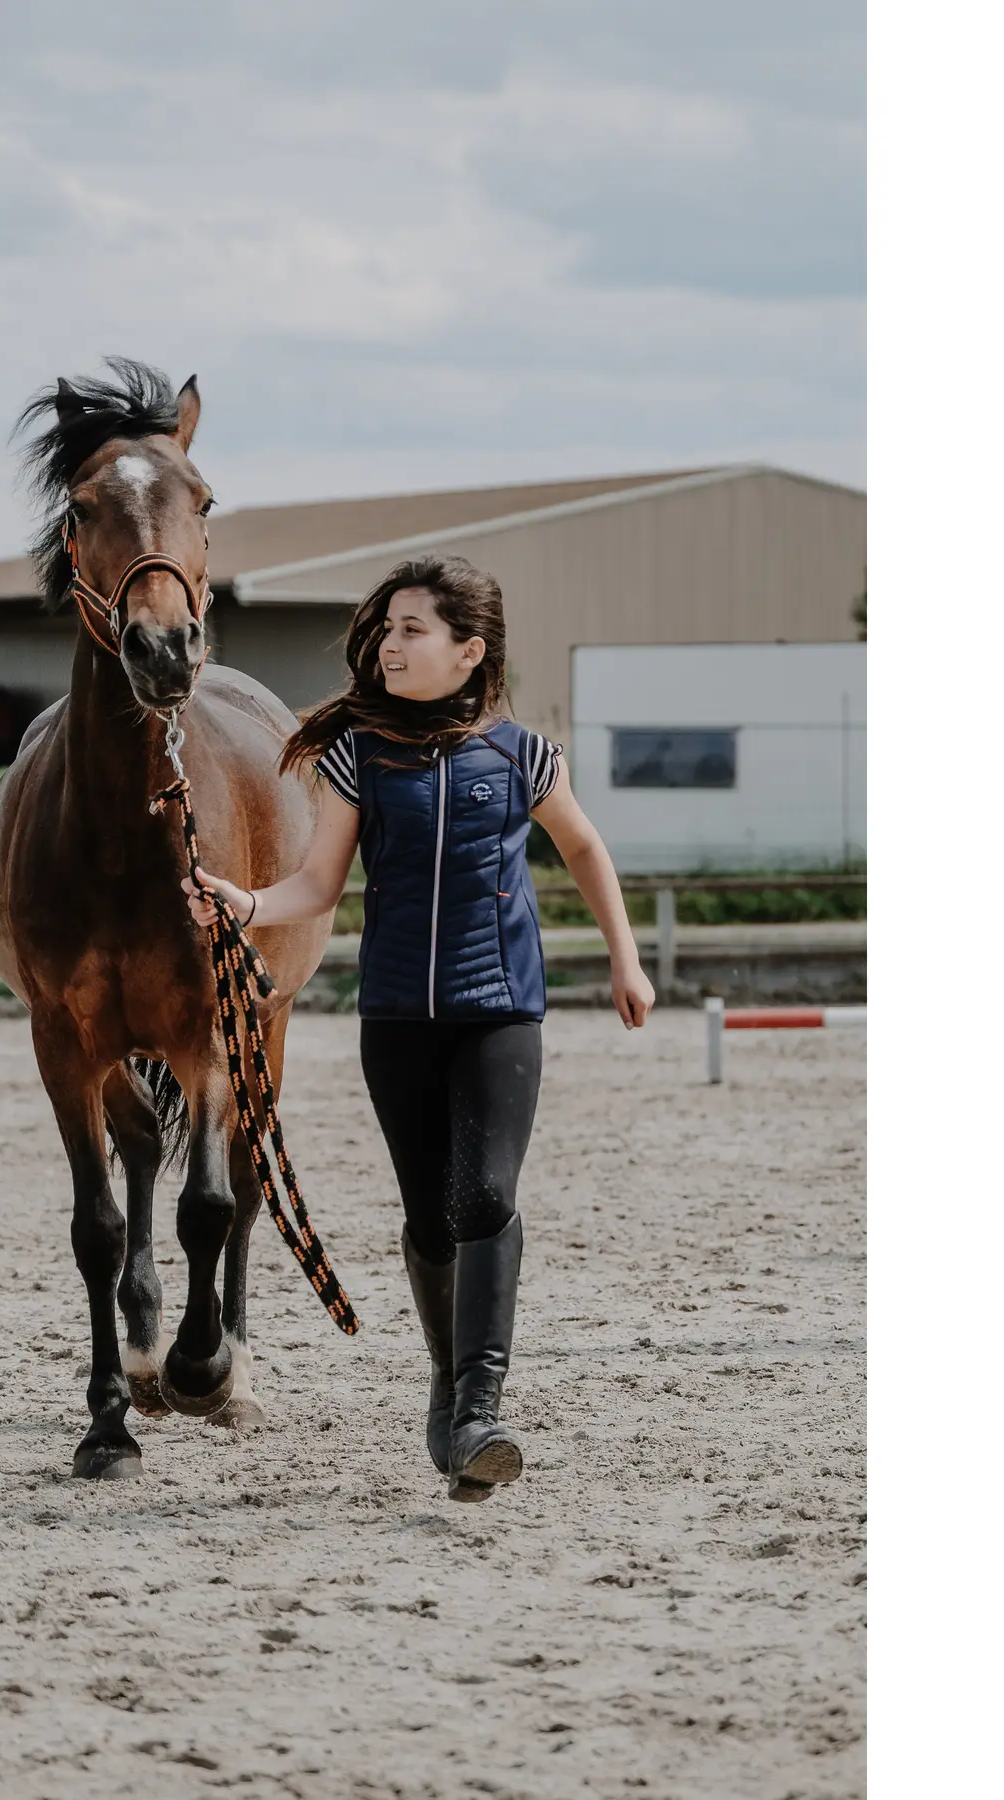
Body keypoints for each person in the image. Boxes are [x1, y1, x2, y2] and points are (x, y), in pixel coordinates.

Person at [183, 554, 653, 1501]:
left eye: (412, 631)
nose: (390, 646)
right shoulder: (359, 757)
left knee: (484, 1197)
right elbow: (319, 883)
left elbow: (585, 846)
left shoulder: (523, 757)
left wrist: (625, 955)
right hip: (396, 1017)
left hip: (501, 1014)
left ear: (468, 651)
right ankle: (448, 1387)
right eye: (388, 630)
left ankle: (481, 1406)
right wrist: (244, 902)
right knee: (429, 1218)